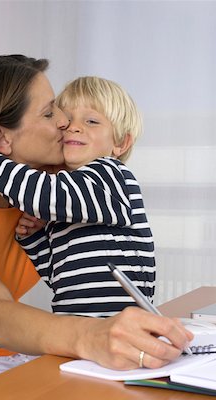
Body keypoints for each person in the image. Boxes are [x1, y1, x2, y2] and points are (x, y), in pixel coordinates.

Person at [0, 54, 192, 400]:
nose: (66, 125)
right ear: (2, 139)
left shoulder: (43, 197)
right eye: (52, 113)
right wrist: (91, 335)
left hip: (9, 357)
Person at [14, 76, 155, 317]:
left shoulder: (110, 174)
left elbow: (43, 193)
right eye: (66, 120)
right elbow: (58, 274)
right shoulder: (71, 199)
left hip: (120, 323)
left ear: (120, 143)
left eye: (91, 121)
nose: (74, 127)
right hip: (76, 328)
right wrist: (35, 238)